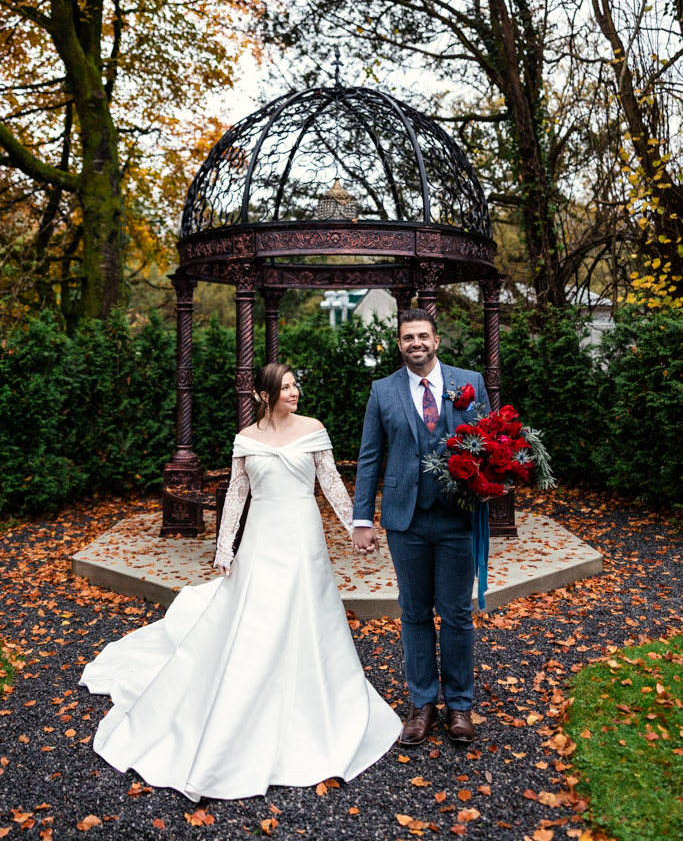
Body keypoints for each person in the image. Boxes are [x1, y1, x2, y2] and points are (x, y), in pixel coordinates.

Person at [80, 363, 400, 801]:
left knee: (305, 607)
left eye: (295, 384)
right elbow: (236, 494)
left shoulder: (313, 428)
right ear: (264, 394)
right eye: (285, 387)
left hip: (303, 534)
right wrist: (224, 548)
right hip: (261, 536)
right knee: (258, 614)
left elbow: (331, 485)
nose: (294, 392)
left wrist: (355, 527)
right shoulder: (246, 439)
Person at [352, 309, 490, 747]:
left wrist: (492, 481)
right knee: (413, 612)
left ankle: (460, 705)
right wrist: (362, 518)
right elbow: (370, 455)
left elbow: (490, 441)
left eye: (423, 336)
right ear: (399, 344)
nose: (416, 342)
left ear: (436, 340)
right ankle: (422, 704)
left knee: (456, 614)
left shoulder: (467, 382)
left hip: (456, 516)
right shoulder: (382, 391)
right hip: (404, 517)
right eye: (408, 337)